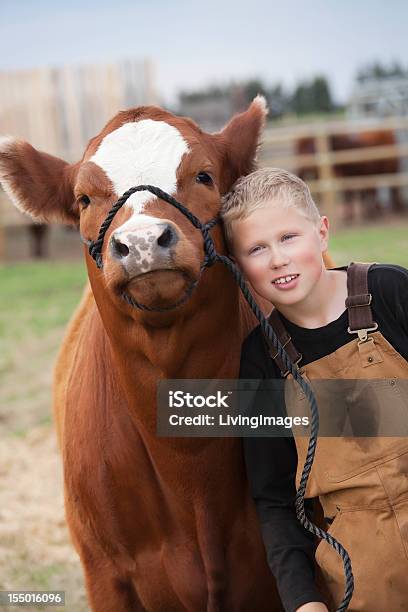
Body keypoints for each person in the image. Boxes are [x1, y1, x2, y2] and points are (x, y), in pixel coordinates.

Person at [220, 167, 408, 612]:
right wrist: (304, 602)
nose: (277, 259)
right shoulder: (261, 362)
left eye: (288, 238)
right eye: (256, 248)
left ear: (321, 233)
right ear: (240, 265)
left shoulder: (390, 291)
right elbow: (275, 500)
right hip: (365, 583)